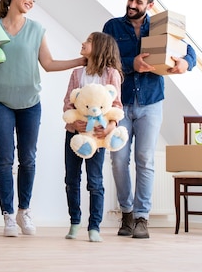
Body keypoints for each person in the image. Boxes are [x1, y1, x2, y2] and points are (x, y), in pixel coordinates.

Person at [0, 0, 86, 237]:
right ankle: (7, 215)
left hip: (30, 103)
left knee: (27, 159)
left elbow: (48, 64)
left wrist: (82, 60)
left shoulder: (37, 29)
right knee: (5, 159)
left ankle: (23, 210)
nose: (31, 1)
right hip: (0, 102)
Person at [102, 0, 196, 239]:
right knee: (119, 160)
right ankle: (127, 213)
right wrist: (131, 64)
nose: (132, 5)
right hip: (120, 103)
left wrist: (184, 63)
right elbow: (105, 62)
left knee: (145, 159)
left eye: (138, 2)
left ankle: (142, 218)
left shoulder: (159, 26)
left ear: (150, 5)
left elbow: (189, 52)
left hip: (151, 102)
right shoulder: (112, 27)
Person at [62, 32, 124, 243]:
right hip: (74, 134)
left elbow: (116, 106)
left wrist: (110, 127)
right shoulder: (76, 74)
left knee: (95, 181)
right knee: (71, 179)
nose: (83, 42)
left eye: (88, 41)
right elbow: (68, 103)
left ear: (100, 47)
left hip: (97, 137)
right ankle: (75, 221)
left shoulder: (110, 74)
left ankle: (94, 226)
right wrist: (73, 123)